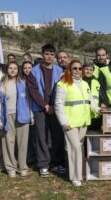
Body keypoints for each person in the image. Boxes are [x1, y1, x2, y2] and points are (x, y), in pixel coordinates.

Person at [54, 60, 104, 186]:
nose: (77, 71)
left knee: (76, 148)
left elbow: (91, 102)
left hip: (83, 122)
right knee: (75, 148)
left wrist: (98, 110)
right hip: (70, 123)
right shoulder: (62, 84)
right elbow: (58, 105)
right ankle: (75, 177)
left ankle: (77, 174)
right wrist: (64, 123)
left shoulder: (85, 84)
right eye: (74, 68)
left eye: (79, 68)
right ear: (69, 70)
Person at [27, 44, 66, 177]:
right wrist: (45, 105)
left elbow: (62, 89)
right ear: (42, 54)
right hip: (40, 109)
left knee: (57, 136)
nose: (49, 56)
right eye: (47, 54)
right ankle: (43, 164)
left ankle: (56, 163)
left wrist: (54, 106)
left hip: (56, 108)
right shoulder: (34, 71)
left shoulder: (59, 70)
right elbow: (33, 90)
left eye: (51, 54)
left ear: (54, 56)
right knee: (41, 137)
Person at [0, 62, 33, 178]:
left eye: (15, 68)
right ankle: (10, 167)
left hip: (23, 115)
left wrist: (31, 116)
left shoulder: (23, 83)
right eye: (10, 68)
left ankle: (23, 167)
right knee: (8, 142)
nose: (13, 70)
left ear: (18, 70)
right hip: (7, 116)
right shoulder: (1, 85)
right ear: (7, 70)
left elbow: (29, 101)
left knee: (22, 142)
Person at [21, 61, 37, 164]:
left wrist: (32, 116)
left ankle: (34, 155)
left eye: (29, 67)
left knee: (34, 136)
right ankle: (29, 156)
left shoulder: (35, 80)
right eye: (25, 68)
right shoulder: (21, 81)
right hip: (24, 112)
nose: (27, 70)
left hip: (34, 111)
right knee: (26, 137)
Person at [82, 62, 107, 131]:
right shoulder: (79, 81)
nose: (88, 71)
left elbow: (102, 95)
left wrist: (103, 103)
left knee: (95, 135)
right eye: (86, 69)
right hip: (84, 115)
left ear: (93, 71)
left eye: (90, 70)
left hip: (95, 114)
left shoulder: (96, 82)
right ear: (83, 70)